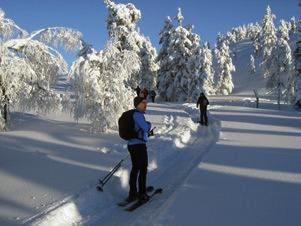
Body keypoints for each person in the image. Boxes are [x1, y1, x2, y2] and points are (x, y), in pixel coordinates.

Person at [126, 96, 153, 203]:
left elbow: (141, 131)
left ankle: (133, 193)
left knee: (136, 168)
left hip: (133, 145)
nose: (145, 105)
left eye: (146, 103)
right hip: (138, 146)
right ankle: (141, 193)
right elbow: (146, 127)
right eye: (143, 103)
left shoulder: (135, 114)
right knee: (142, 169)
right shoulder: (137, 115)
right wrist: (149, 124)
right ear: (138, 104)